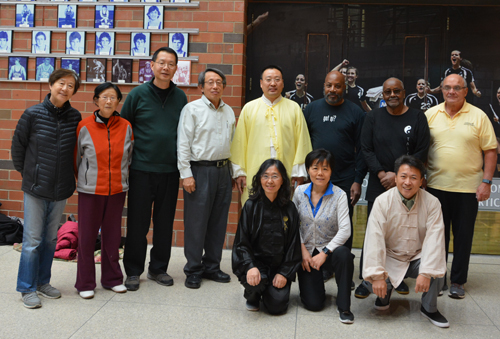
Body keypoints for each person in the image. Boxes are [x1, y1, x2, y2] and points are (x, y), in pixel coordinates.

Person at [11, 69, 82, 309]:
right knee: (32, 239)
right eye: (61, 83)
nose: (65, 89)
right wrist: (32, 174)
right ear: (51, 85)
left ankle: (43, 282)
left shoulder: (75, 117)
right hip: (35, 187)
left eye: (70, 86)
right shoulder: (32, 114)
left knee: (50, 239)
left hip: (61, 189)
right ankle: (26, 287)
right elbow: (17, 149)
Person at [356, 77, 430, 298]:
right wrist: (381, 173)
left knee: (401, 233)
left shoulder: (418, 117)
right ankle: (367, 279)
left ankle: (397, 279)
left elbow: (422, 150)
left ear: (404, 92)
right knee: (374, 232)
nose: (392, 95)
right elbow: (366, 149)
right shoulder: (372, 117)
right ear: (383, 95)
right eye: (388, 92)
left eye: (396, 91)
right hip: (379, 183)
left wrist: (398, 177)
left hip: (407, 185)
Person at [121, 47, 187, 291]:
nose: (166, 67)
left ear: (175, 68)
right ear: (152, 65)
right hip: (141, 170)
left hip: (170, 171)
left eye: (171, 64)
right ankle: (133, 271)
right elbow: (124, 130)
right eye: (161, 62)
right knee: (138, 223)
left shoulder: (181, 97)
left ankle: (158, 268)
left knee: (164, 223)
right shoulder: (137, 94)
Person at [425, 74, 497, 299]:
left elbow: (491, 151)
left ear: (466, 91)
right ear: (442, 90)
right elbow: (419, 147)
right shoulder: (430, 114)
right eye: (447, 87)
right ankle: (439, 278)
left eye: (457, 88)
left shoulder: (479, 116)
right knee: (438, 237)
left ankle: (457, 281)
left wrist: (486, 182)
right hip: (435, 188)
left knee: (463, 237)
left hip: (468, 190)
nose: (451, 91)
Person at [362, 155, 449, 328]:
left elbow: (435, 239)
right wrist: (378, 277)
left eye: (413, 177)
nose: (407, 182)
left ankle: (429, 308)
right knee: (373, 277)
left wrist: (425, 272)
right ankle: (384, 295)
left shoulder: (432, 203)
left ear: (421, 181)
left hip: (418, 256)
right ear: (395, 178)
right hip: (391, 256)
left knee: (437, 266)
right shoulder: (382, 201)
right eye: (403, 176)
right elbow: (374, 239)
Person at [177, 68, 235, 289]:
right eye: (210, 82)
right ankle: (193, 269)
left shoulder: (229, 111)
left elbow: (233, 142)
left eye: (219, 82)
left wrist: (233, 172)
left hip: (223, 171)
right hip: (199, 171)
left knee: (218, 222)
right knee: (196, 222)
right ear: (201, 86)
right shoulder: (192, 109)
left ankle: (212, 266)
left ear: (223, 86)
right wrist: (186, 175)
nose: (215, 86)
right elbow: (183, 144)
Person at [75, 82, 134, 299]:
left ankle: (112, 279)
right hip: (90, 191)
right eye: (104, 97)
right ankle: (84, 283)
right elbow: (75, 159)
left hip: (117, 189)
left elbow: (130, 157)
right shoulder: (84, 126)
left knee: (112, 236)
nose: (108, 101)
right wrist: (83, 180)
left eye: (113, 97)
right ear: (96, 100)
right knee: (87, 237)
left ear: (119, 101)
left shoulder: (126, 126)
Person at [304, 71, 366, 253]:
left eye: (337, 86)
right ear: (324, 86)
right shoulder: (311, 110)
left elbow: (362, 149)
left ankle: (341, 266)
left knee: (343, 223)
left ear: (344, 88)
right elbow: (303, 143)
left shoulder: (355, 112)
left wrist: (357, 180)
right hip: (316, 178)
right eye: (329, 85)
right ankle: (319, 262)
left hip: (345, 178)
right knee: (316, 220)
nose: (333, 90)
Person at [230, 65, 312, 203]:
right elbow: (239, 142)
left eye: (277, 79)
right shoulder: (249, 108)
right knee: (255, 211)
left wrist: (299, 172)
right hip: (254, 171)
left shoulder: (294, 108)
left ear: (283, 83)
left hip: (285, 173)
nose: (273, 83)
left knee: (284, 211)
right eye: (268, 79)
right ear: (261, 83)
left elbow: (302, 141)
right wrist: (239, 172)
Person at [293, 149, 355, 324]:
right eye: (315, 168)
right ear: (308, 170)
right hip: (306, 253)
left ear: (331, 172)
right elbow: (292, 224)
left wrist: (325, 252)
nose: (320, 173)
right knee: (313, 304)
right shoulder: (299, 192)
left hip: (329, 251)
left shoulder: (340, 195)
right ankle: (312, 285)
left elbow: (345, 230)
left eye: (325, 169)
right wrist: (303, 249)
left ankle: (344, 306)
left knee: (344, 255)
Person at [232, 159, 301, 314]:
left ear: (283, 180)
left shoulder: (290, 209)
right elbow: (241, 243)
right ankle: (253, 294)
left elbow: (293, 245)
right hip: (256, 265)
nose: (270, 181)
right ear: (260, 179)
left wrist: (284, 273)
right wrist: (250, 267)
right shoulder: (250, 206)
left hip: (279, 267)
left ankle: (269, 290)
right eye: (265, 176)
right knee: (255, 283)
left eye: (275, 176)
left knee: (277, 307)